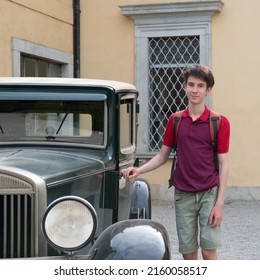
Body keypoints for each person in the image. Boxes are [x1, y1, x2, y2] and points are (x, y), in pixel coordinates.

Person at [121, 64, 230, 260]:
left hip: (209, 193)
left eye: (200, 85)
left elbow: (223, 164)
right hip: (183, 194)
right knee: (188, 252)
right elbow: (163, 156)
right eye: (191, 85)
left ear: (208, 89)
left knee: (209, 250)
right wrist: (139, 170)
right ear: (184, 86)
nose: (195, 90)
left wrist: (219, 204)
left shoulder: (219, 122)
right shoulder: (175, 120)